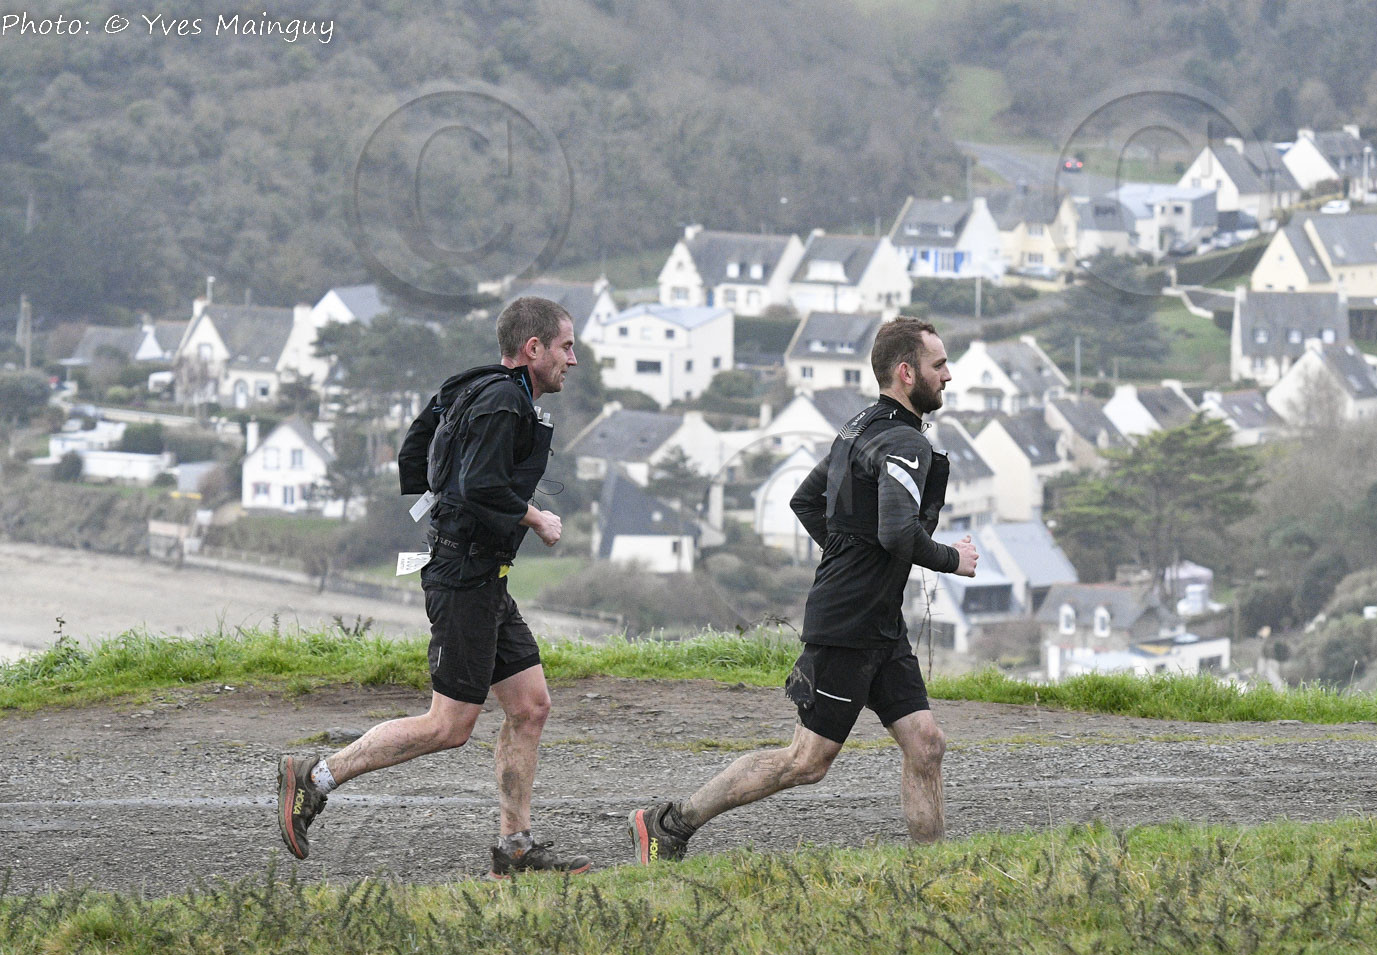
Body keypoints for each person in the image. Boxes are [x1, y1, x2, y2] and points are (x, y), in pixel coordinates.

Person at [628, 316, 979, 864]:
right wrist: (952, 559)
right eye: (939, 365)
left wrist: (848, 557)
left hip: (879, 624)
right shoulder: (903, 441)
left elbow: (805, 501)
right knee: (805, 761)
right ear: (907, 373)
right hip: (848, 626)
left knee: (926, 743)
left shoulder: (859, 427)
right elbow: (896, 532)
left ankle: (932, 870)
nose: (948, 376)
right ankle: (667, 823)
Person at [276, 295, 591, 877]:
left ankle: (514, 850)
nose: (572, 360)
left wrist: (447, 512)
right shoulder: (504, 401)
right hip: (464, 579)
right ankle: (313, 777)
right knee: (448, 726)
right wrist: (535, 518)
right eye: (566, 347)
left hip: (482, 576)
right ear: (534, 348)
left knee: (530, 707)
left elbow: (418, 452)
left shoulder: (477, 387)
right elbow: (479, 486)